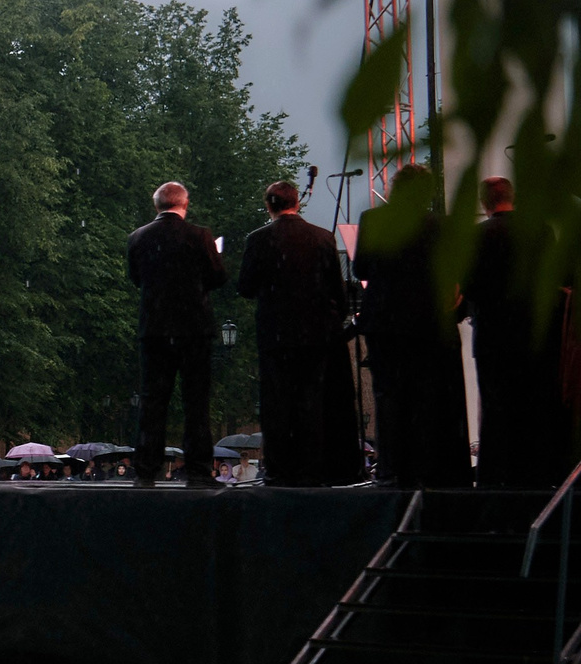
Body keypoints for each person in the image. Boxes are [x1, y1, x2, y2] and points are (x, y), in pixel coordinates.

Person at [236, 180, 351, 487]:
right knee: (311, 401)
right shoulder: (323, 237)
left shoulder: (258, 239)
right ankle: (311, 468)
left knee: (276, 402)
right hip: (315, 336)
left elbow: (245, 286)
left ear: (269, 206)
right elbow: (338, 293)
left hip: (275, 336)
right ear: (297, 203)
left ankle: (279, 468)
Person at [359, 190, 473, 489]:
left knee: (388, 396)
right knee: (424, 396)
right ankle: (425, 467)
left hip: (385, 323)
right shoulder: (440, 225)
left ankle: (391, 469)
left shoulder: (372, 219)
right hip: (426, 323)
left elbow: (361, 268)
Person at [463, 175, 571, 488]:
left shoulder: (477, 236)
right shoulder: (540, 231)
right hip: (537, 336)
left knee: (498, 411)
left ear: (484, 203)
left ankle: (499, 480)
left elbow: (470, 287)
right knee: (536, 405)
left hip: (494, 339)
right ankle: (539, 475)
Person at [128, 180, 228, 487]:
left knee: (152, 401)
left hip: (155, 330)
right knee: (195, 402)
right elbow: (218, 277)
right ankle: (198, 469)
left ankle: (146, 470)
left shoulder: (138, 237)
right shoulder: (200, 236)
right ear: (184, 205)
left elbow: (136, 278)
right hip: (193, 330)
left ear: (157, 205)